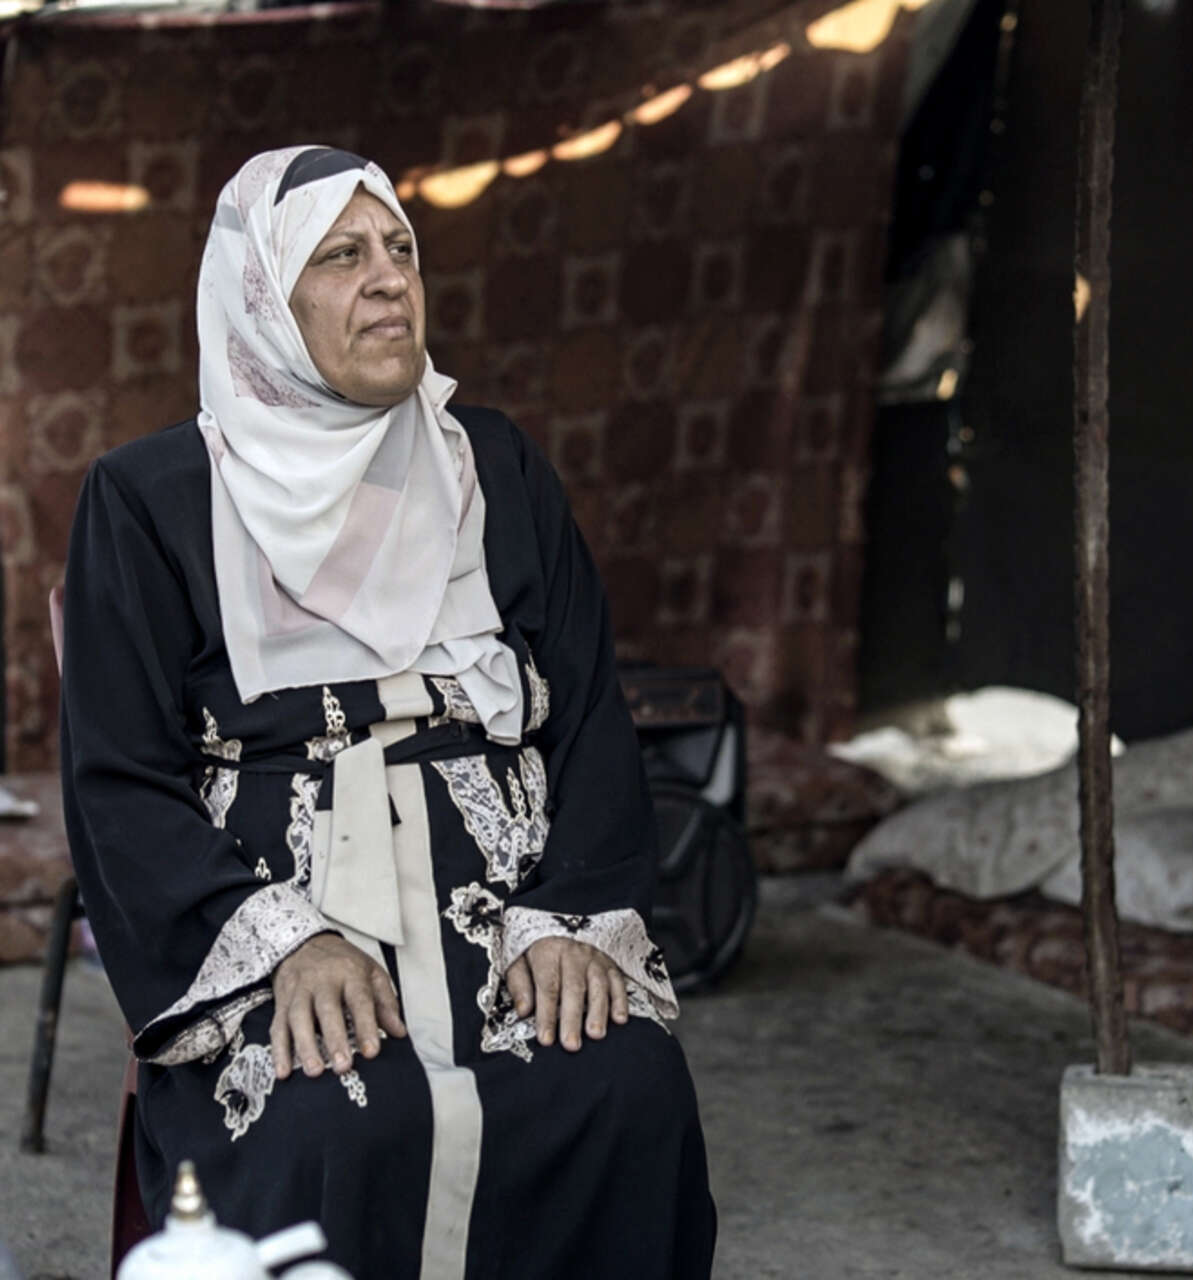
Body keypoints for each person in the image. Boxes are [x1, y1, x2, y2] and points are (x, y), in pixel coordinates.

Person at [59, 145, 716, 1280]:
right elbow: (117, 775)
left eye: (401, 249)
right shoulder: (149, 499)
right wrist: (285, 944)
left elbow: (590, 717)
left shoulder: (495, 469)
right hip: (288, 925)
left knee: (620, 1085)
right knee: (334, 1123)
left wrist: (567, 915)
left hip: (504, 912)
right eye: (340, 255)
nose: (387, 280)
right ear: (262, 297)